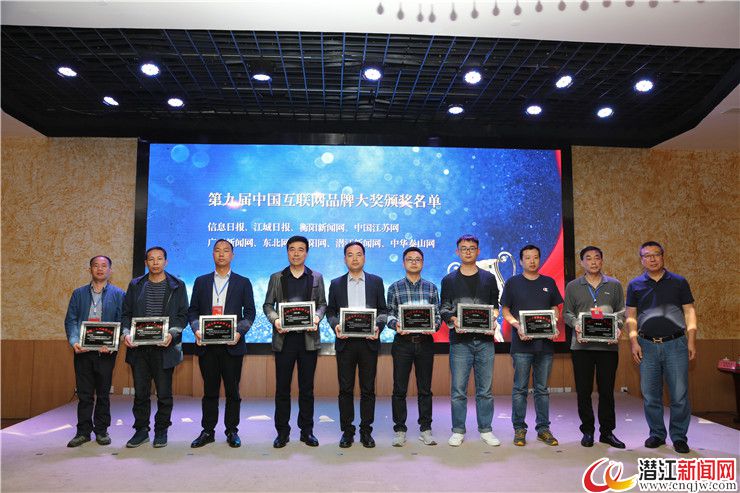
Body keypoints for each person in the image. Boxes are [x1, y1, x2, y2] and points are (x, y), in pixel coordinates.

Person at [626, 241, 697, 454]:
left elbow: (689, 311)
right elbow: (630, 316)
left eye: (656, 254)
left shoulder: (679, 282)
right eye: (647, 255)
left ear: (663, 256)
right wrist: (634, 342)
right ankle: (657, 434)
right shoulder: (635, 285)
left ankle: (679, 437)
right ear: (641, 260)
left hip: (676, 344)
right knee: (650, 395)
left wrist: (691, 340)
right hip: (646, 345)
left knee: (679, 395)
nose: (652, 259)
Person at [188, 239, 256, 448]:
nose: (221, 254)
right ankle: (208, 431)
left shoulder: (243, 282)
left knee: (233, 392)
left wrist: (239, 332)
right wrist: (197, 330)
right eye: (217, 250)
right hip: (207, 346)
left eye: (226, 251)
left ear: (232, 255)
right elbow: (193, 311)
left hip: (232, 346)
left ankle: (232, 430)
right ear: (213, 254)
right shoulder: (201, 281)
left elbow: (250, 313)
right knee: (210, 391)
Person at [121, 246, 188, 448]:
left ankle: (161, 430)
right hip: (139, 349)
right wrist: (126, 333)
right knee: (141, 393)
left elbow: (182, 316)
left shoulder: (177, 285)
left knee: (164, 394)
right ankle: (141, 431)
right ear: (146, 262)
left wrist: (172, 333)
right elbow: (126, 314)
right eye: (151, 259)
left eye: (159, 259)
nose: (155, 262)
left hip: (165, 348)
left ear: (166, 262)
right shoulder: (135, 285)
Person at [263, 235, 327, 448]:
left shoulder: (316, 277)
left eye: (301, 249)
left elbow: (323, 304)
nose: (296, 253)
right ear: (287, 252)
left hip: (308, 340)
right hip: (284, 340)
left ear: (306, 252)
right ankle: (282, 432)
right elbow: (267, 305)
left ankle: (307, 431)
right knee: (282, 388)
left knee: (307, 389)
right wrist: (276, 320)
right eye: (292, 249)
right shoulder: (277, 277)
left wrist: (316, 317)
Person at [440, 234, 502, 447]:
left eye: (472, 248)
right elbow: (444, 307)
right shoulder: (449, 280)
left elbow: (495, 305)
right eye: (464, 248)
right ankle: (458, 430)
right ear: (457, 252)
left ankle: (486, 429)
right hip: (460, 342)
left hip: (485, 342)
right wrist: (453, 319)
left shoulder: (489, 278)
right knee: (458, 390)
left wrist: (493, 317)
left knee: (485, 390)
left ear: (478, 251)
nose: (468, 251)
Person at [563, 246, 625, 449]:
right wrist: (577, 325)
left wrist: (617, 327)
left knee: (607, 391)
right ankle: (587, 431)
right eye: (588, 258)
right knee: (584, 391)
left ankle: (607, 432)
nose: (593, 262)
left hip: (608, 348)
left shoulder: (614, 285)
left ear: (602, 261)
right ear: (582, 263)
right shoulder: (573, 286)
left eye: (597, 258)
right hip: (581, 347)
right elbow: (567, 313)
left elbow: (621, 311)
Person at [327, 241, 388, 448]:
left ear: (364, 257)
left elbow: (383, 310)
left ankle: (366, 431)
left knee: (368, 389)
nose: (355, 258)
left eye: (359, 254)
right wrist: (335, 325)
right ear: (345, 259)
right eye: (350, 255)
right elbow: (331, 311)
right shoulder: (336, 283)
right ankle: (347, 431)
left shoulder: (376, 282)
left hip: (369, 343)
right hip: (345, 344)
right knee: (345, 389)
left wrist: (378, 326)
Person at [501, 244, 563, 447]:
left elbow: (555, 308)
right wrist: (517, 325)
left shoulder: (548, 282)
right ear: (521, 261)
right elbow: (505, 311)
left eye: (535, 257)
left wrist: (553, 323)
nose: (532, 261)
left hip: (545, 345)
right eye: (527, 257)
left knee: (542, 389)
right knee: (520, 389)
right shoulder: (513, 283)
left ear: (539, 259)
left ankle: (543, 429)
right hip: (521, 345)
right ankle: (519, 429)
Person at [64, 255, 125, 447]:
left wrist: (113, 343)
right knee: (84, 394)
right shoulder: (78, 293)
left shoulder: (119, 294)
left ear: (110, 270)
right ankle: (83, 432)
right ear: (90, 269)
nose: (100, 269)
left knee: (103, 393)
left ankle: (101, 431)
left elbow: (122, 321)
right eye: (96, 265)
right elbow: (71, 320)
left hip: (106, 352)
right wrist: (74, 341)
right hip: (82, 351)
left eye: (104, 265)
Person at [386, 247, 441, 447]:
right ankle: (400, 429)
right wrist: (396, 325)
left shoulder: (431, 288)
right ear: (404, 263)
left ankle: (425, 429)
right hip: (402, 344)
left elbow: (437, 315)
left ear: (422, 263)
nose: (414, 262)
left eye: (417, 259)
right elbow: (389, 314)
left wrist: (433, 326)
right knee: (399, 389)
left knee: (425, 389)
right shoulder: (394, 288)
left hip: (425, 343)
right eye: (410, 259)